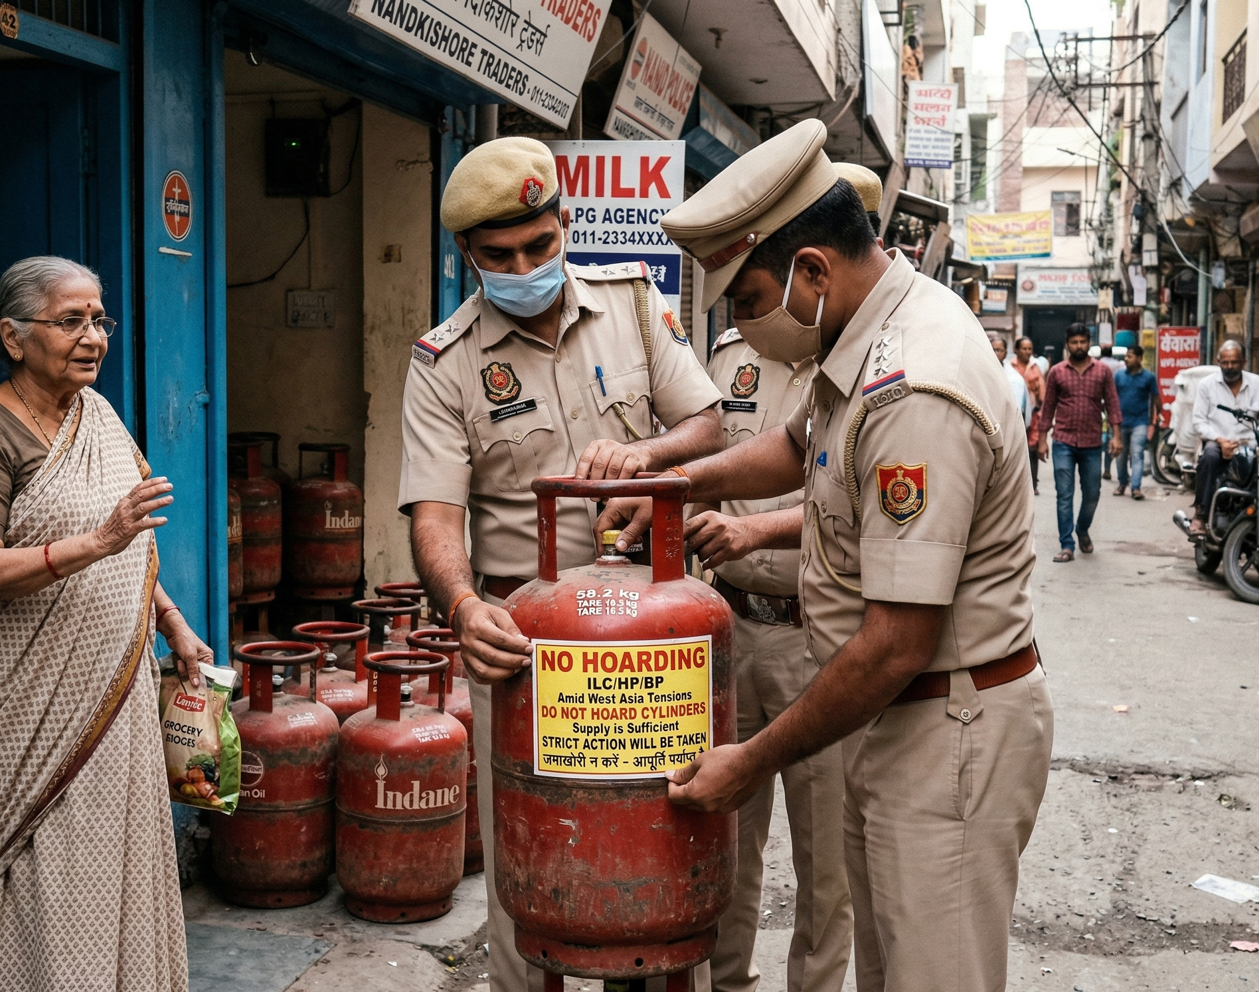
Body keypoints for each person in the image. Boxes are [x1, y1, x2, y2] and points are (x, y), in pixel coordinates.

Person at [603, 118, 1052, 992]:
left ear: (812, 270)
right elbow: (789, 448)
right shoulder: (859, 337)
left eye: (744, 302)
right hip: (896, 717)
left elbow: (895, 640)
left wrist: (754, 757)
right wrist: (671, 483)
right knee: (888, 970)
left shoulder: (914, 386)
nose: (741, 326)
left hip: (943, 724)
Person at [397, 136, 724, 992]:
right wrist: (465, 609)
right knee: (527, 853)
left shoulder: (632, 302)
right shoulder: (444, 361)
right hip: (523, 644)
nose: (524, 265)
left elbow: (707, 426)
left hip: (654, 641)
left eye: (540, 245)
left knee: (662, 832)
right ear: (466, 255)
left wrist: (645, 455)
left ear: (564, 222)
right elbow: (435, 512)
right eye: (498, 255)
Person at [0, 256, 206, 991]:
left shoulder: (100, 417)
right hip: (25, 712)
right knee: (44, 872)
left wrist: (172, 621)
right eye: (71, 321)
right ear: (14, 336)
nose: (93, 337)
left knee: (115, 859)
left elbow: (135, 546)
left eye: (99, 320)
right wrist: (96, 542)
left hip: (111, 701)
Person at [690, 324, 850, 992]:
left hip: (812, 640)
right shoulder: (730, 355)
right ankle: (724, 981)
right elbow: (711, 478)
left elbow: (861, 506)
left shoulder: (856, 366)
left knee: (824, 859)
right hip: (726, 629)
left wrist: (751, 529)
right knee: (720, 832)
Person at [1034, 324, 1122, 562]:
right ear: (1067, 345)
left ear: (1088, 343)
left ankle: (1082, 528)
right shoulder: (1057, 372)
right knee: (1064, 494)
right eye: (1074, 342)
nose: (1079, 346)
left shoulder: (1102, 371)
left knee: (1092, 493)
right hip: (1063, 441)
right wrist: (1042, 441)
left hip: (1092, 443)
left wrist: (1117, 436)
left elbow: (1112, 404)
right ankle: (1067, 545)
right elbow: (1048, 407)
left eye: (1083, 342)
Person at [1189, 341, 1259, 537]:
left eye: (1234, 362)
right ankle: (1201, 514)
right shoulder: (1206, 386)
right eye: (1225, 362)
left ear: (1244, 361)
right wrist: (1220, 440)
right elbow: (1199, 422)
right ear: (1218, 362)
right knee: (1209, 456)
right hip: (1218, 442)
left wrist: (1251, 445)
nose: (1229, 367)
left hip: (1250, 445)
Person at [1112, 345, 1161, 499]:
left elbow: (1156, 398)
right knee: (1120, 455)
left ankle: (1135, 488)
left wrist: (1156, 417)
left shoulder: (1148, 377)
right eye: (1126, 356)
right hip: (1120, 422)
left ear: (1139, 358)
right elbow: (1112, 398)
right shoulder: (1119, 376)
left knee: (1137, 453)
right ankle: (1122, 483)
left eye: (1130, 356)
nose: (1126, 359)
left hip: (1140, 422)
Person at [1010, 337, 1046, 494]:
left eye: (1029, 349)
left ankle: (1033, 483)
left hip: (1033, 414)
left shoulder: (1035, 368)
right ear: (1016, 350)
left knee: (1032, 448)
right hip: (1014, 414)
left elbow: (1042, 393)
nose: (1027, 352)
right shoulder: (1009, 367)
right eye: (1024, 348)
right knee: (1016, 449)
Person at [994, 335, 1032, 436]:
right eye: (993, 350)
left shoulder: (1015, 379)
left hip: (1009, 431)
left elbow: (1017, 410)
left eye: (999, 350)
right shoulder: (979, 373)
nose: (995, 354)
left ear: (1006, 353)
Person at [1099, 346, 1126, 482]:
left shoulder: (1097, 365)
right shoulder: (1119, 366)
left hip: (1099, 406)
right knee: (1109, 437)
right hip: (1112, 404)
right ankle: (1107, 469)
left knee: (1102, 439)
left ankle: (1104, 468)